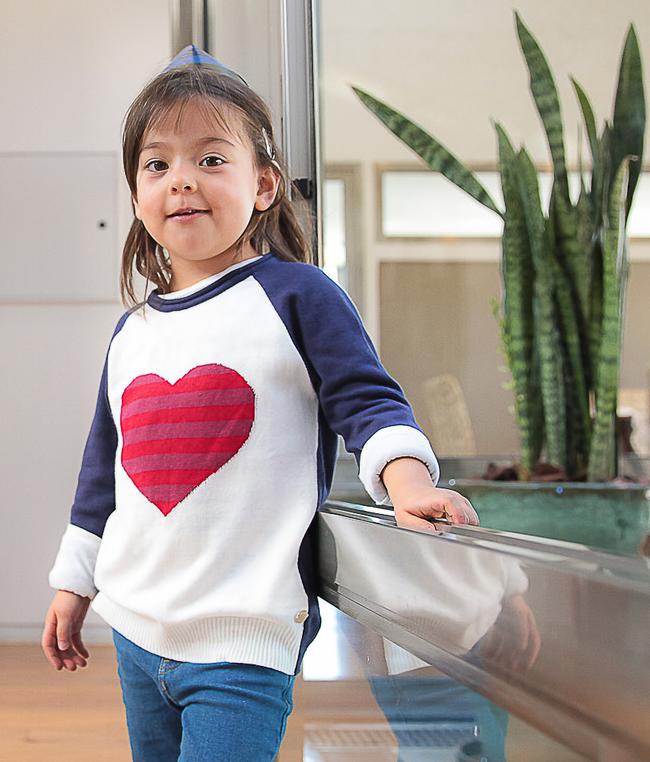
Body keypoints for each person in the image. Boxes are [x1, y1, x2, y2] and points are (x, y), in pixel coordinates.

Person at [41, 46, 479, 762]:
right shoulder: (131, 332)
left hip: (244, 641)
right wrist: (73, 584)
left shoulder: (299, 295)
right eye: (157, 164)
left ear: (265, 184)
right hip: (135, 629)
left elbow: (366, 401)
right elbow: (102, 473)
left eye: (211, 158)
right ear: (136, 195)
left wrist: (408, 485)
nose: (182, 179)